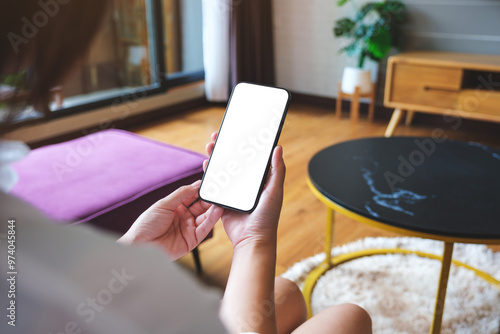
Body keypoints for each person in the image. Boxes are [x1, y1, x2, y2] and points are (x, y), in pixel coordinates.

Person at [0, 1, 372, 333]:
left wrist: (134, 248)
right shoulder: (166, 306)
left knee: (285, 291)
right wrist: (253, 241)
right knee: (351, 317)